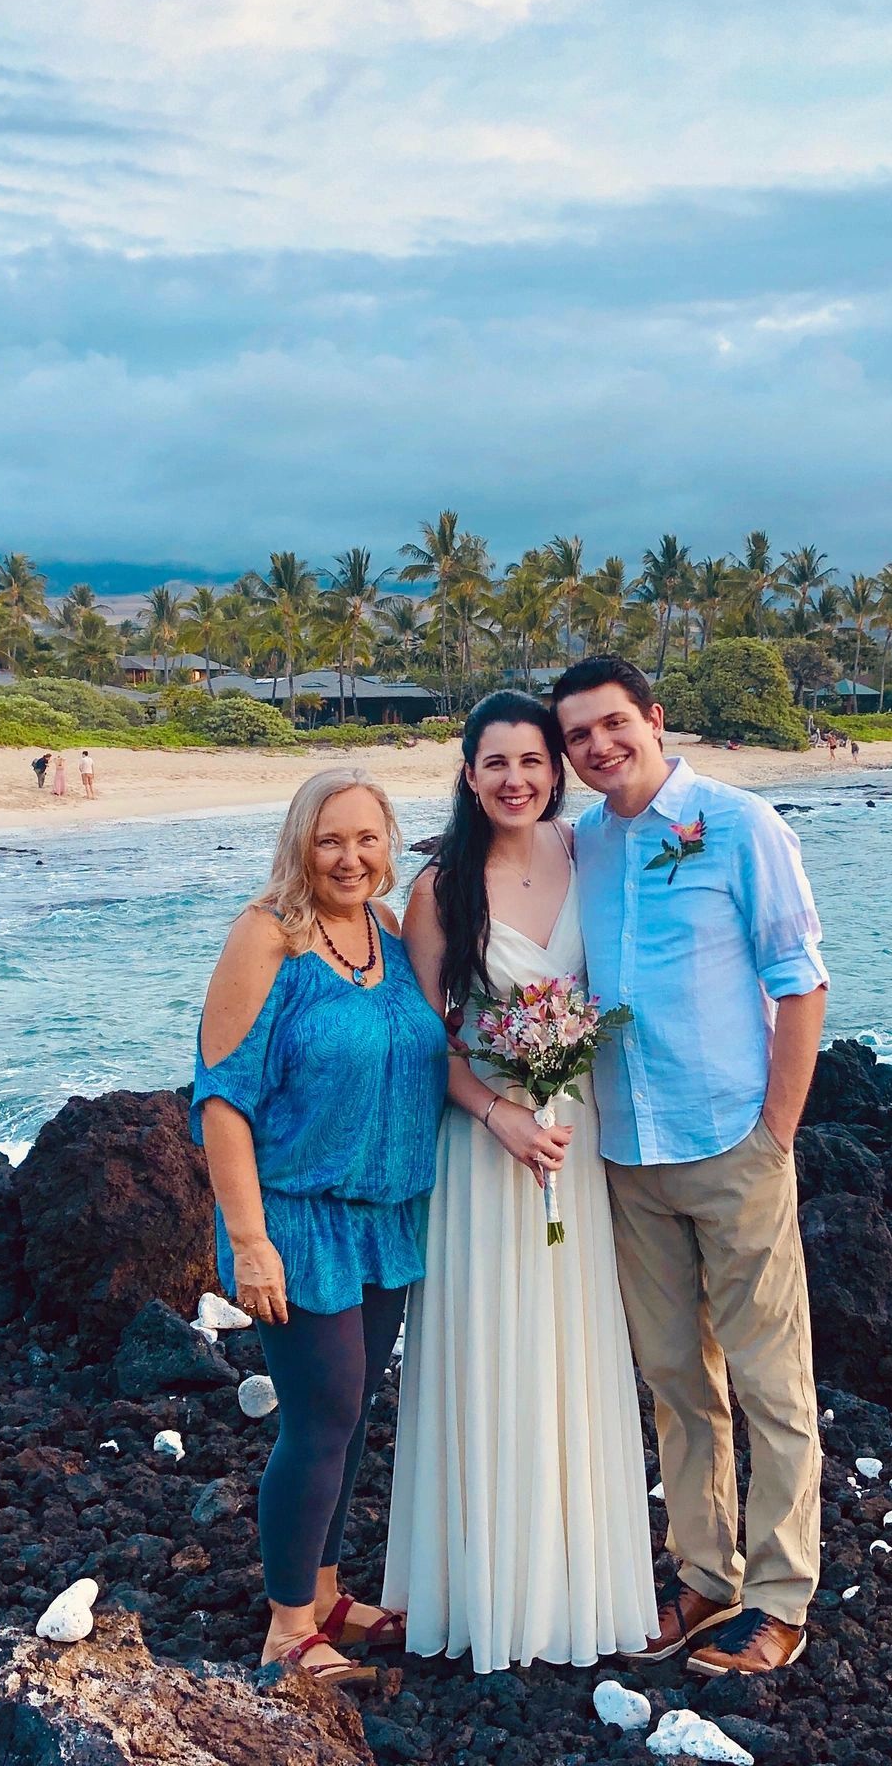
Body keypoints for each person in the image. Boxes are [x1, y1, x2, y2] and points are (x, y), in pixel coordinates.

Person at [552, 655, 829, 1681]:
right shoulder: (583, 843)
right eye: (578, 734)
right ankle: (704, 1576)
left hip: (730, 1144)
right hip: (625, 1152)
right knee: (674, 1377)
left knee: (770, 1382)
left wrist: (776, 1133)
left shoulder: (741, 825)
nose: (598, 746)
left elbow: (800, 986)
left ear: (653, 719)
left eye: (612, 724)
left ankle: (781, 1595)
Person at [382, 694, 656, 1672]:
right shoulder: (439, 890)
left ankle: (577, 1583)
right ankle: (481, 1588)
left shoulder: (588, 856)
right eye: (495, 763)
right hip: (484, 1149)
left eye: (533, 760)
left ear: (557, 768)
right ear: (467, 775)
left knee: (573, 1349)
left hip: (569, 1149)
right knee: (489, 1346)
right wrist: (499, 1114)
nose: (517, 780)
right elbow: (426, 1044)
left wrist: (562, 1099)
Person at [193, 770, 449, 1690]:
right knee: (320, 1416)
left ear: (390, 843)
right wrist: (249, 1239)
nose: (349, 857)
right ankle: (288, 1627)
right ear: (301, 843)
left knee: (351, 1413)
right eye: (329, 840)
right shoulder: (267, 936)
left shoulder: (383, 935)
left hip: (383, 1219)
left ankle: (332, 1594)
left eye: (367, 839)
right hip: (296, 1220)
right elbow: (223, 1096)